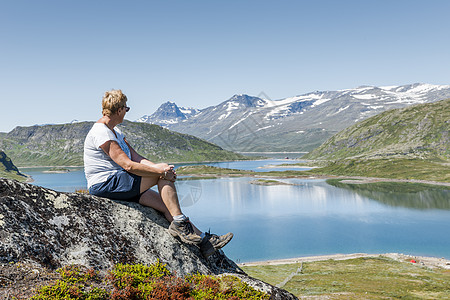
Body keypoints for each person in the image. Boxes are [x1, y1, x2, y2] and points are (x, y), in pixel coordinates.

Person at [83, 89, 233, 257]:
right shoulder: (101, 132)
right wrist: (160, 172)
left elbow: (136, 157)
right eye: (126, 108)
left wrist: (162, 168)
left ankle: (205, 242)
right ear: (119, 110)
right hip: (105, 184)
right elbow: (128, 165)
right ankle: (179, 225)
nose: (127, 111)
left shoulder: (116, 132)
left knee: (168, 205)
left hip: (120, 183)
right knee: (161, 175)